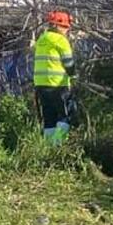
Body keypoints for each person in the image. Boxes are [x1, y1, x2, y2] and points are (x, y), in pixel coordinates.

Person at [34, 10, 76, 144]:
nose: (67, 31)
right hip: (58, 85)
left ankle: (48, 146)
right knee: (66, 115)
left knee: (49, 118)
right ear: (58, 26)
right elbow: (69, 63)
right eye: (65, 27)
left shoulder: (42, 39)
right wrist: (73, 75)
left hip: (41, 85)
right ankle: (58, 145)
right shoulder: (61, 40)